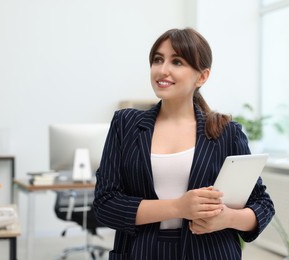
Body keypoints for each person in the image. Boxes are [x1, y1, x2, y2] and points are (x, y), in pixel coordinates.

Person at [93, 27, 275, 260]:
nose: (162, 70)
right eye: (158, 60)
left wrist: (227, 218)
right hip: (140, 252)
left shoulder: (227, 132)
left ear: (202, 76)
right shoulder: (125, 124)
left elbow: (262, 204)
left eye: (177, 62)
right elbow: (105, 205)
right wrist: (179, 207)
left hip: (211, 253)